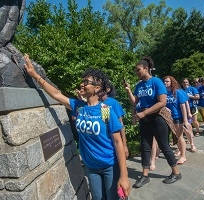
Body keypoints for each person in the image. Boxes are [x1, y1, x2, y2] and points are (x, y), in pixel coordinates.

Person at [23, 54, 130, 199]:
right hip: (91, 167)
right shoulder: (79, 107)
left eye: (87, 82)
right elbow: (56, 94)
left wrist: (124, 176)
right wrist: (35, 75)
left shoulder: (105, 110)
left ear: (97, 88)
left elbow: (118, 142)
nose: (82, 84)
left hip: (109, 166)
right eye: (83, 81)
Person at [125, 56, 181, 188]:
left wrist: (144, 112)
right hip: (145, 120)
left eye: (138, 70)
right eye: (135, 71)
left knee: (164, 145)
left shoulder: (156, 82)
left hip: (157, 118)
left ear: (146, 68)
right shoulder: (139, 85)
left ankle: (176, 172)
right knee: (145, 146)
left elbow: (162, 102)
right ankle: (145, 176)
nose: (136, 73)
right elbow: (135, 102)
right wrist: (128, 91)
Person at [163, 76, 191, 165]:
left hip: (177, 117)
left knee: (179, 137)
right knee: (175, 137)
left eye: (167, 81)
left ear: (172, 82)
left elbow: (183, 107)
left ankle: (183, 156)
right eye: (164, 81)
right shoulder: (164, 93)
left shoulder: (178, 92)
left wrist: (186, 120)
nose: (165, 83)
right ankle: (180, 152)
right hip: (168, 118)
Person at [99, 81, 129, 158]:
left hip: (114, 140)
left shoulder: (113, 103)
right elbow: (105, 123)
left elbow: (120, 124)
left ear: (107, 89)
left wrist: (124, 146)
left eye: (101, 87)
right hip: (103, 141)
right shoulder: (96, 103)